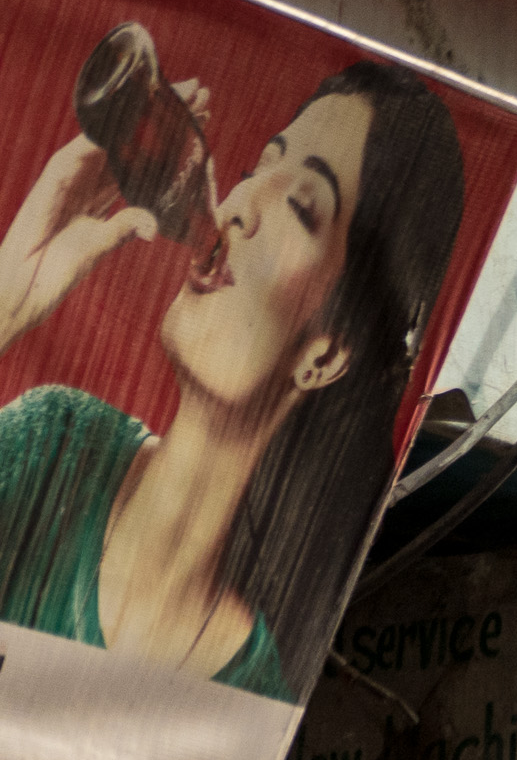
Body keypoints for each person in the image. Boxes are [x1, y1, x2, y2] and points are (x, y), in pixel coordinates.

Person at [0, 59, 465, 700]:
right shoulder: (50, 452)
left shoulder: (252, 695)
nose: (238, 204)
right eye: (255, 171)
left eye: (301, 206)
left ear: (325, 356)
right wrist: (6, 307)